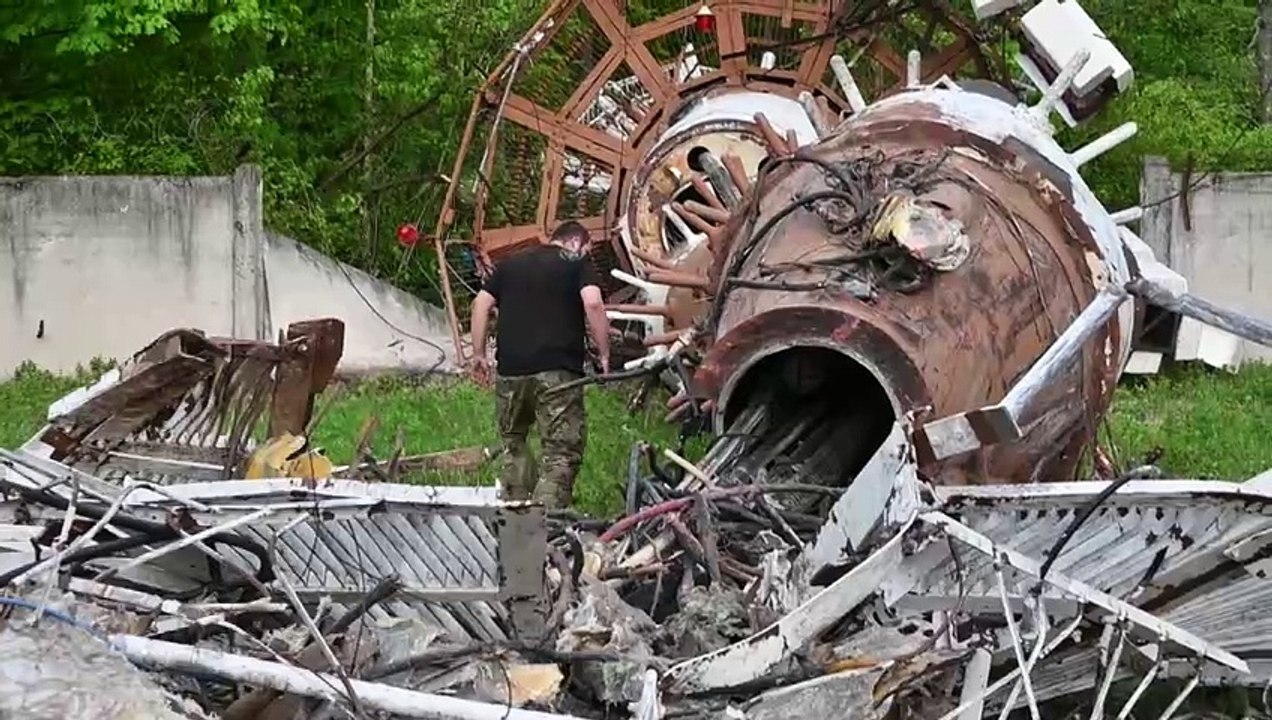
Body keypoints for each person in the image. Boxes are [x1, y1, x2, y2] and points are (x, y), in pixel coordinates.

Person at [468, 221, 612, 508]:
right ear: (576, 243)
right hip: (557, 371)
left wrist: (479, 354)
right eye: (588, 249)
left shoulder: (511, 264)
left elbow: (480, 304)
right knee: (560, 452)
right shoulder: (576, 263)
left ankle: (516, 516)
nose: (588, 254)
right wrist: (604, 352)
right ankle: (547, 523)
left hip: (510, 371)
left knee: (514, 442)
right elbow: (593, 303)